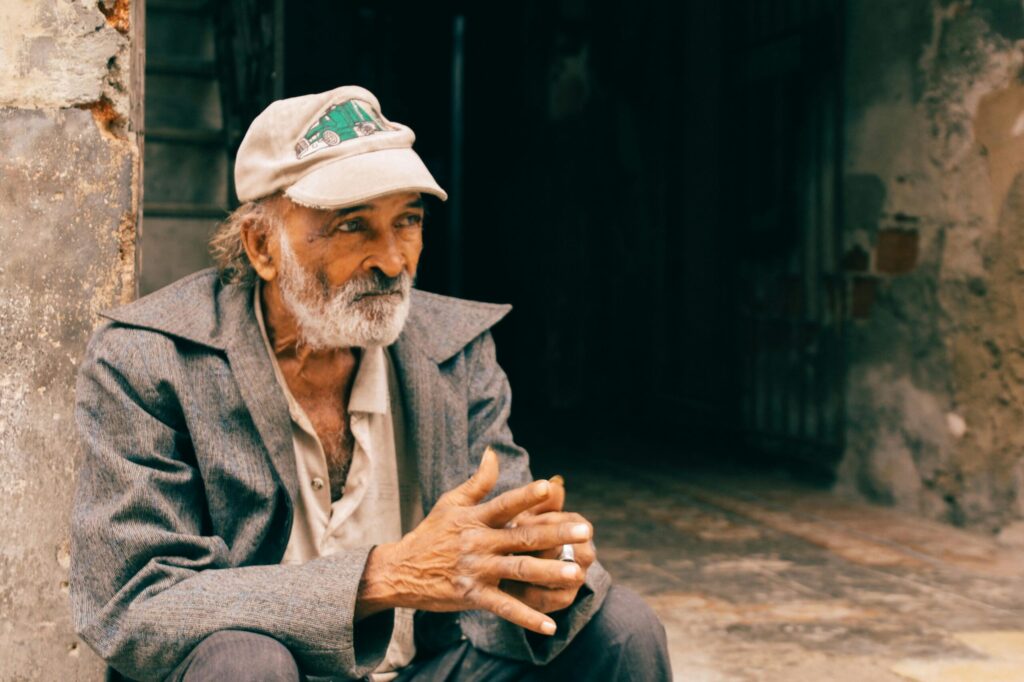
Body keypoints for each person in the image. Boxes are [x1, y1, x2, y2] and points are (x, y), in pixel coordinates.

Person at [70, 85, 671, 681]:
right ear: (262, 246)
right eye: (353, 226)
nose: (392, 259)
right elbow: (135, 605)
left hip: (427, 667)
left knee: (620, 629)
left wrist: (548, 566)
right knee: (243, 665)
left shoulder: (452, 348)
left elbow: (499, 532)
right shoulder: (149, 360)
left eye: (407, 221)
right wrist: (386, 575)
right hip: (271, 673)